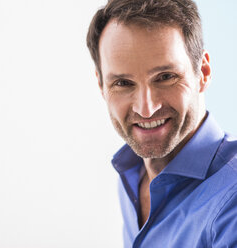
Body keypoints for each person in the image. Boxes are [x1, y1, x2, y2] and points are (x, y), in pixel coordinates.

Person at [86, 0, 237, 247]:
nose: (146, 109)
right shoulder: (133, 173)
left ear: (204, 72)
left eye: (165, 77)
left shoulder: (232, 205)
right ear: (101, 85)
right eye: (123, 83)